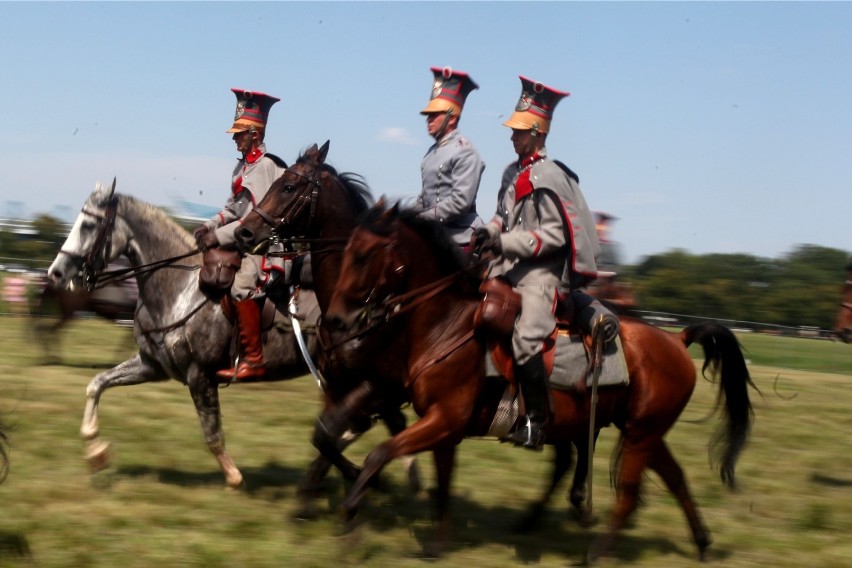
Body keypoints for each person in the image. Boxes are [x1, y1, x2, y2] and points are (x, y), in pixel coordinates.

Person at [471, 76, 600, 450]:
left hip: (541, 275)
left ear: (538, 132)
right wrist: (487, 232)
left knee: (527, 336)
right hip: (507, 267)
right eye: (512, 130)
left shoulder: (551, 176)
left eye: (519, 131)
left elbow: (554, 236)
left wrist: (502, 240)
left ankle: (535, 422)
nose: (512, 137)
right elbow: (501, 215)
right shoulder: (511, 173)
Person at [193, 88, 287, 381]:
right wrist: (210, 225)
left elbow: (252, 221)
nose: (234, 138)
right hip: (245, 241)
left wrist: (219, 237)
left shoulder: (265, 166)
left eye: (239, 134)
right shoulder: (242, 166)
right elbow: (232, 209)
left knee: (240, 288)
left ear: (254, 135)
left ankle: (254, 360)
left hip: (264, 246)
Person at [416, 67, 485, 250]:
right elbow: (425, 197)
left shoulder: (465, 151)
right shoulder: (431, 152)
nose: (428, 120)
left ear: (452, 118)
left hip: (462, 236)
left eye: (434, 115)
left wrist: (422, 218)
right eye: (428, 116)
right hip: (436, 232)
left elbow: (460, 202)